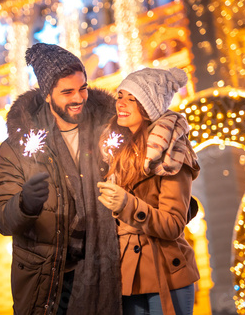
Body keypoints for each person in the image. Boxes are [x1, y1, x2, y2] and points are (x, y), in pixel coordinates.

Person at [0, 43, 122, 315]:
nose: (79, 98)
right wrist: (25, 204)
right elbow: (1, 217)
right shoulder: (17, 147)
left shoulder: (111, 129)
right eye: (67, 92)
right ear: (47, 95)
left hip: (108, 271)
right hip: (51, 281)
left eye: (82, 88)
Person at [97, 67, 200, 315]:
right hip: (126, 276)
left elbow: (173, 224)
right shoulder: (116, 153)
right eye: (120, 95)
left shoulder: (172, 153)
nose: (120, 103)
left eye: (132, 99)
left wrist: (127, 205)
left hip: (165, 270)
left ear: (149, 106)